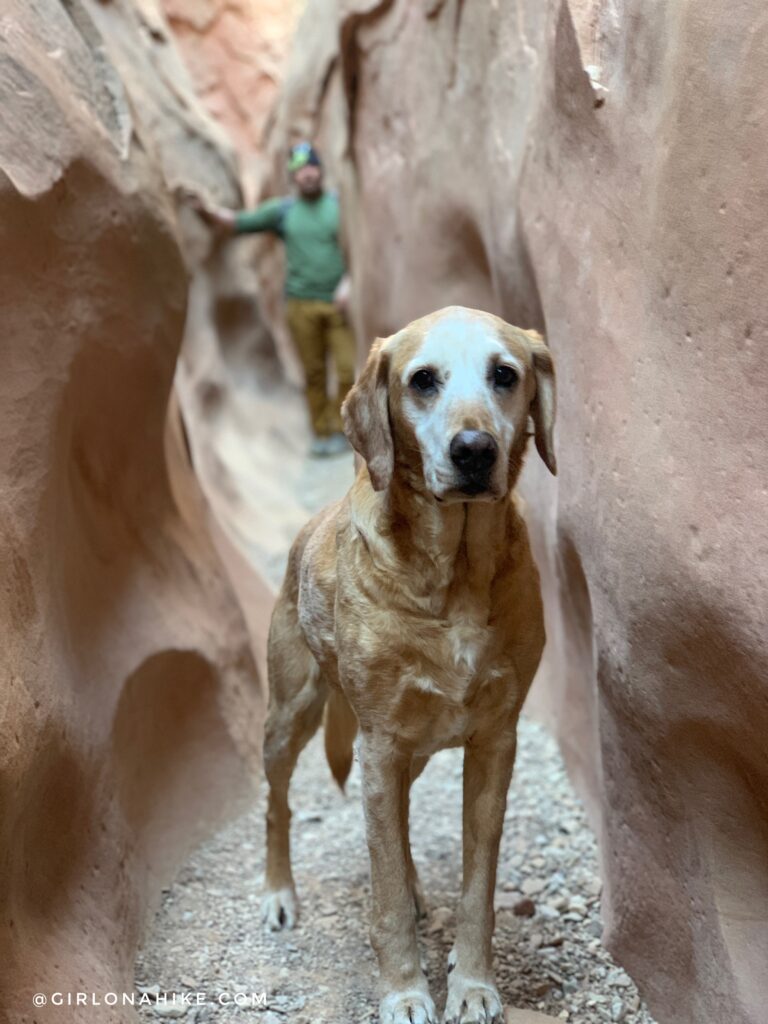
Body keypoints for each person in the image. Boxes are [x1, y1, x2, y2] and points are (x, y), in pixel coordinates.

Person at [192, 142, 355, 457]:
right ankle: (323, 435)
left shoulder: (338, 206)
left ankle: (342, 427)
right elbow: (239, 223)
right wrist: (207, 211)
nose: (307, 175)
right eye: (300, 171)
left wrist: (348, 283)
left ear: (320, 170)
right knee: (314, 372)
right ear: (293, 177)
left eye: (311, 168)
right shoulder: (283, 212)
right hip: (300, 304)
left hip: (337, 302)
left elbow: (355, 247)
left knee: (348, 369)